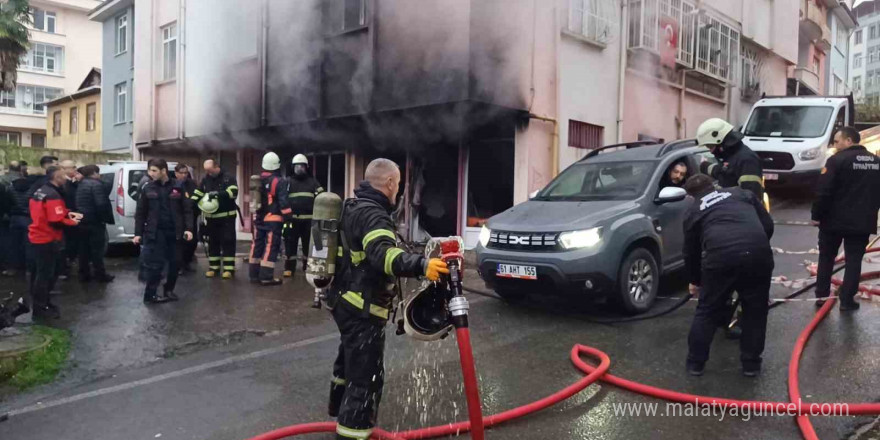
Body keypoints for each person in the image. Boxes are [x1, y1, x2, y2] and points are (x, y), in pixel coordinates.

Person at [327, 158, 449, 440]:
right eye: (399, 184)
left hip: (342, 302)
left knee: (348, 360)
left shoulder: (352, 207)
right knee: (366, 380)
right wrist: (422, 266)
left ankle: (337, 408)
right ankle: (351, 433)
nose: (399, 191)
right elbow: (383, 254)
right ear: (391, 183)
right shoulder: (374, 215)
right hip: (361, 308)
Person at [682, 174, 774, 377]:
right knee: (755, 311)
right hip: (758, 256)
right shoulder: (741, 193)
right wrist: (754, 247)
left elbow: (691, 252)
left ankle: (695, 364)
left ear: (691, 196)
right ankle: (751, 365)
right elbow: (767, 225)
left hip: (720, 259)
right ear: (713, 185)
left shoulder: (694, 210)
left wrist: (695, 281)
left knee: (707, 310)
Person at [811, 127, 880, 312]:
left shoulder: (836, 160)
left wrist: (816, 216)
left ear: (849, 140)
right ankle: (847, 301)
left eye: (837, 141)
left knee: (826, 258)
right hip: (862, 222)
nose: (834, 145)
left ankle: (822, 296)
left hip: (833, 221)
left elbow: (823, 191)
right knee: (854, 260)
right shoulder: (876, 162)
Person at [133, 159, 194, 304]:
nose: (150, 174)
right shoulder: (148, 187)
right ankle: (150, 295)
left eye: (154, 170)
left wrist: (189, 229)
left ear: (164, 171)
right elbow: (141, 213)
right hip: (156, 232)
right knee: (155, 265)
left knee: (175, 263)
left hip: (175, 232)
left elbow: (187, 210)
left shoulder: (178, 186)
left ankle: (169, 290)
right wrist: (138, 234)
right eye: (149, 170)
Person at [28, 166, 81, 319]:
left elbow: (46, 213)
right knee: (47, 275)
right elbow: (55, 221)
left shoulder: (40, 191)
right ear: (57, 178)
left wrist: (67, 213)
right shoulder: (53, 195)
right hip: (48, 238)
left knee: (39, 273)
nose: (66, 179)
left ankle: (42, 303)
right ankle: (40, 307)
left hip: (37, 236)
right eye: (64, 176)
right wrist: (73, 222)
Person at [249, 152, 292, 286]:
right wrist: (289, 218)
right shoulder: (279, 181)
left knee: (256, 245)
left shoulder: (258, 180)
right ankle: (266, 277)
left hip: (259, 218)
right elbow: (284, 203)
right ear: (277, 166)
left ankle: (254, 275)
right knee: (270, 247)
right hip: (273, 219)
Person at [697, 118, 764, 200]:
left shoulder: (747, 160)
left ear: (721, 142)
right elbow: (724, 172)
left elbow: (750, 196)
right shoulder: (730, 156)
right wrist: (704, 166)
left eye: (710, 146)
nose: (710, 151)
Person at [193, 159, 239, 279]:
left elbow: (233, 193)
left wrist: (217, 194)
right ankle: (214, 267)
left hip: (226, 217)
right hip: (211, 218)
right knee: (213, 242)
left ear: (216, 166)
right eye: (206, 170)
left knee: (228, 242)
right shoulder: (206, 179)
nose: (208, 173)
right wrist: (191, 201)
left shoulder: (228, 178)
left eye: (209, 170)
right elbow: (198, 192)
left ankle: (229, 269)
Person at [284, 154, 324, 277]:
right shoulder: (288, 182)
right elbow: (282, 200)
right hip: (292, 220)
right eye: (297, 167)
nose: (300, 169)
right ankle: (289, 268)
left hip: (309, 221)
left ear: (306, 167)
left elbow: (322, 199)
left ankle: (307, 267)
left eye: (302, 166)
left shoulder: (313, 182)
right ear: (293, 168)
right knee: (290, 245)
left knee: (308, 246)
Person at [76, 165, 115, 283]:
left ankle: (84, 274)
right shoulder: (96, 184)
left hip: (82, 220)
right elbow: (101, 204)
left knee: (83, 249)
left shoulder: (81, 184)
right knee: (97, 250)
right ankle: (100, 275)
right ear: (94, 173)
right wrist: (104, 218)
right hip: (94, 221)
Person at [6, 162, 32, 277]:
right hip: (28, 218)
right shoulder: (31, 188)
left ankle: (13, 268)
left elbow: (7, 202)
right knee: (28, 244)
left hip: (14, 217)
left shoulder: (11, 188)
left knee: (14, 244)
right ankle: (28, 268)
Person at [175, 164, 200, 274]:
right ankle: (179, 266)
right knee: (180, 244)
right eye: (182, 173)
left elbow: (199, 195)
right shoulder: (174, 185)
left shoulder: (192, 184)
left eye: (186, 173)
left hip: (192, 216)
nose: (184, 175)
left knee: (192, 242)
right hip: (179, 218)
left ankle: (187, 262)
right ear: (176, 173)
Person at [60, 160, 81, 279]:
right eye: (73, 167)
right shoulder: (64, 184)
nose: (75, 169)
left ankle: (68, 263)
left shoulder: (72, 183)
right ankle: (65, 266)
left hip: (72, 215)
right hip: (67, 216)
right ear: (65, 169)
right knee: (68, 243)